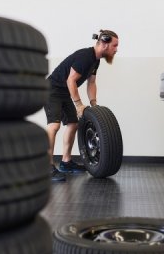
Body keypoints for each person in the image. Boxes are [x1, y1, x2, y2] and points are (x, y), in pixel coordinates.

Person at [44, 29, 119, 182]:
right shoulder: (85, 56)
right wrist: (79, 104)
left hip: (64, 92)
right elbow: (71, 80)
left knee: (73, 124)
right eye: (114, 45)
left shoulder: (96, 60)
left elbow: (91, 83)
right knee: (54, 126)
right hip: (52, 90)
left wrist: (94, 104)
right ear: (104, 44)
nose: (116, 49)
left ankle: (66, 162)